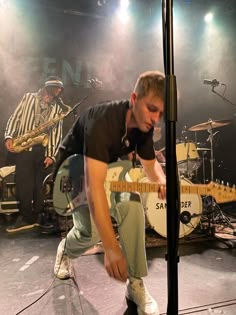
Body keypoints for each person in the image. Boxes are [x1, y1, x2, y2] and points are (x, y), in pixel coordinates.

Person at [54, 71, 166, 315]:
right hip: (73, 173)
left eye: (160, 113)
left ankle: (135, 284)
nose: (155, 119)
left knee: (133, 205)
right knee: (91, 233)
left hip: (110, 173)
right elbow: (95, 189)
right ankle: (65, 250)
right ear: (134, 99)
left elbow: (150, 164)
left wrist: (161, 180)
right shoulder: (102, 120)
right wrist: (112, 248)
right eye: (151, 109)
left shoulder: (143, 127)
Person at [5, 76, 65, 232]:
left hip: (42, 151)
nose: (59, 91)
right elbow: (15, 117)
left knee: (40, 186)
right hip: (24, 148)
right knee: (24, 185)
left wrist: (51, 155)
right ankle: (26, 217)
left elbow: (56, 133)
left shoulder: (58, 108)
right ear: (49, 87)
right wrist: (9, 136)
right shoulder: (28, 97)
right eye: (57, 88)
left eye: (60, 89)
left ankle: (38, 216)